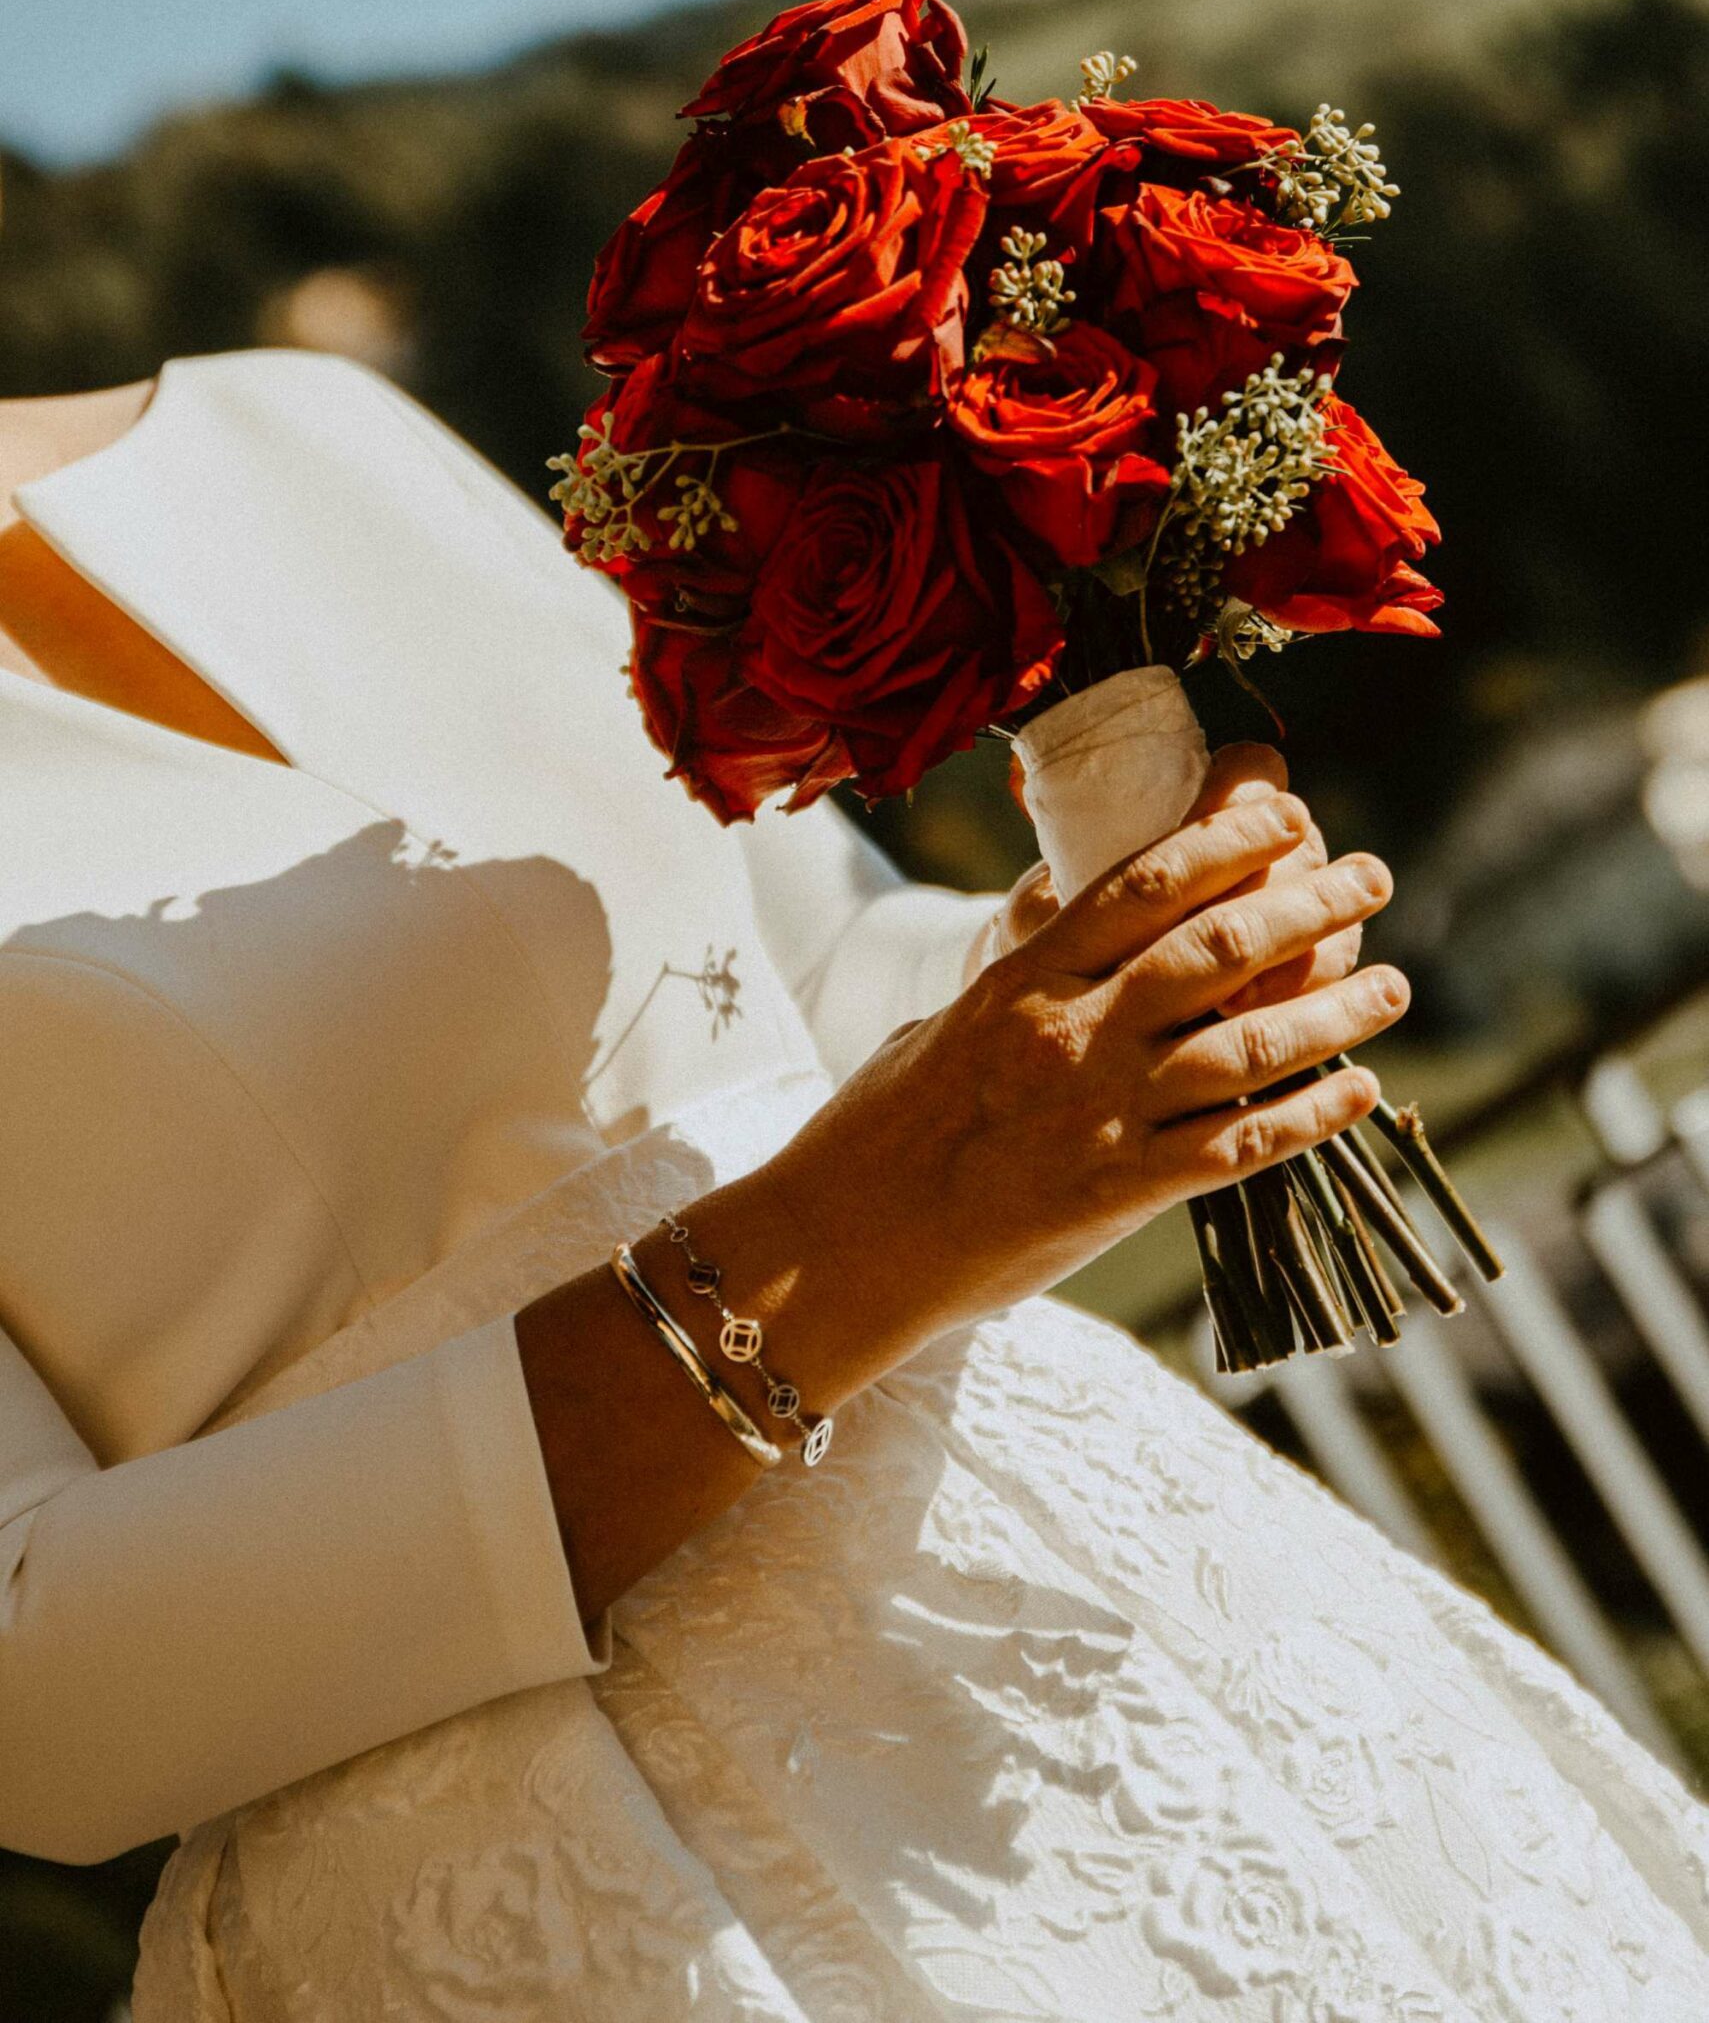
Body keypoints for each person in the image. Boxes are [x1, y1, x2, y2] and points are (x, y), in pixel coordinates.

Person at [0, 349, 1703, 2021]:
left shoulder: (304, 423)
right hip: (598, 1883)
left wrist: (1111, 961)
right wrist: (852, 1240)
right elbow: (33, 1694)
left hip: (1104, 1606)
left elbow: (800, 974)